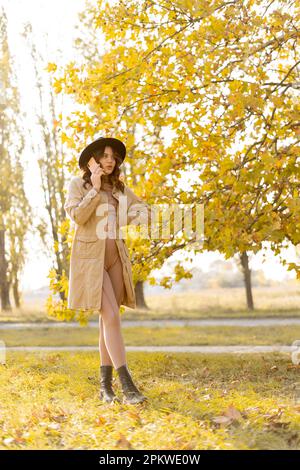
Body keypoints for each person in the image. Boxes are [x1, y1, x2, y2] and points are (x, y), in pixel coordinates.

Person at [64, 137, 150, 405]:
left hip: (116, 257)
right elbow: (77, 216)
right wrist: (95, 188)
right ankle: (127, 385)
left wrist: (131, 216)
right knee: (111, 315)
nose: (110, 160)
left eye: (114, 156)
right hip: (91, 259)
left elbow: (143, 211)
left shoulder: (120, 190)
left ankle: (105, 387)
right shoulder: (78, 185)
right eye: (105, 155)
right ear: (93, 160)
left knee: (108, 321)